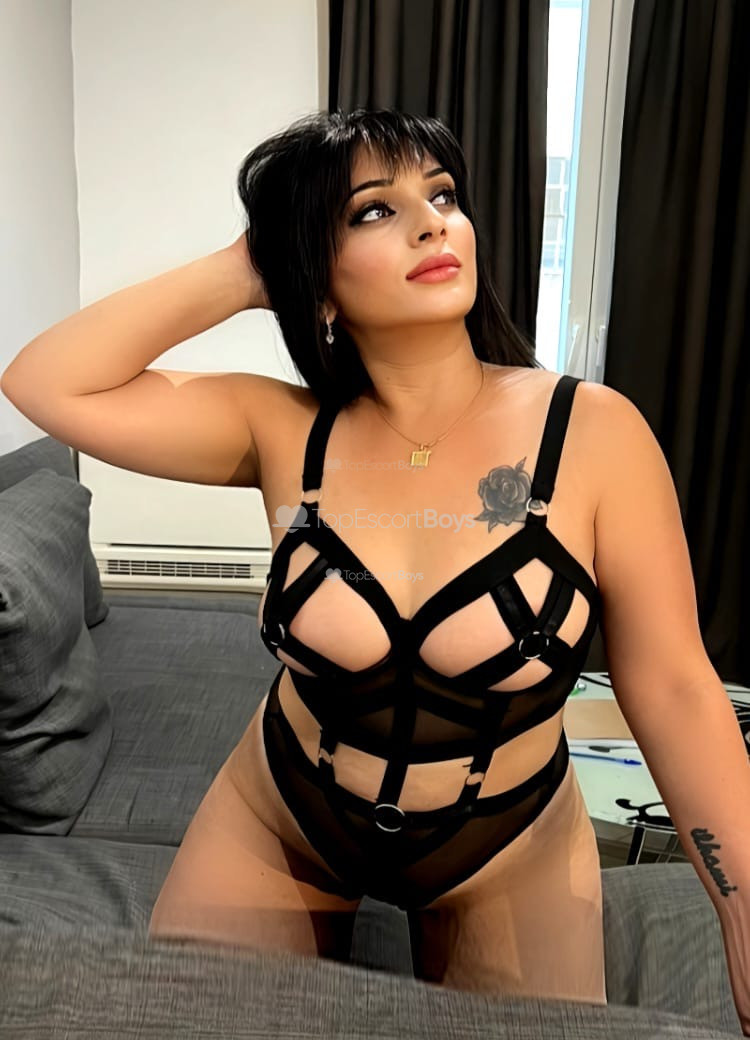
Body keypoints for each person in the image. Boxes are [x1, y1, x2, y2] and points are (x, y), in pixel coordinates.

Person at [2, 108, 701, 1005]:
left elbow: (675, 686)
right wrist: (257, 261)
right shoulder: (280, 426)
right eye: (374, 210)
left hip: (505, 841)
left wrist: (743, 901)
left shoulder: (592, 430)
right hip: (286, 815)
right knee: (182, 1021)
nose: (431, 223)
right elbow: (43, 381)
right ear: (318, 280)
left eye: (442, 196)